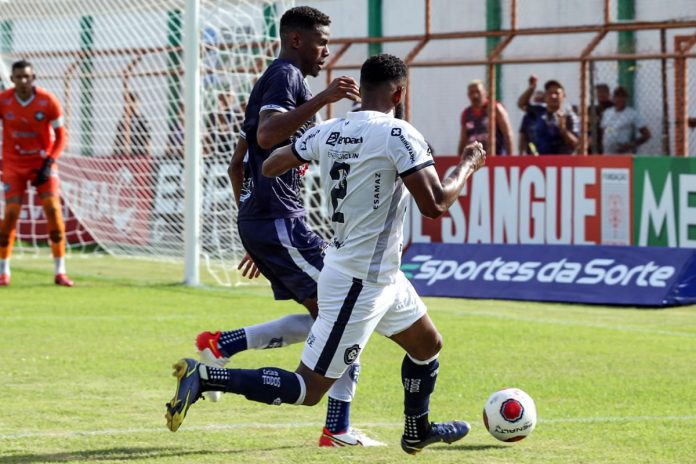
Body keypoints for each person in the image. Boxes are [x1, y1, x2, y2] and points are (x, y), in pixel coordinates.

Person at [165, 53, 487, 454]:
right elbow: (436, 204)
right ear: (400, 92)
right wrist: (468, 164)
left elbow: (271, 164)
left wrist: (320, 155)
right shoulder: (399, 134)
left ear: (364, 88)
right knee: (308, 388)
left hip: (382, 274)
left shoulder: (332, 129)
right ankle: (207, 376)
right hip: (358, 281)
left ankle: (416, 430)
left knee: (427, 346)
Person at [192, 6, 380, 447]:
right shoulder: (286, 78)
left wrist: (251, 221)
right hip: (280, 222)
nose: (326, 51)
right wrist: (323, 99)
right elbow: (265, 137)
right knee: (343, 316)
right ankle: (336, 428)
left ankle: (224, 345)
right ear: (296, 40)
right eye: (322, 42)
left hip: (272, 222)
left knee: (330, 315)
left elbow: (237, 164)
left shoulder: (274, 80)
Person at [0, 60, 73, 287]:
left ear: (34, 78)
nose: (23, 81)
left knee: (52, 210)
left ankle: (60, 271)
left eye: (27, 77)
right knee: (11, 213)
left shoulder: (48, 101)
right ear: (11, 79)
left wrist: (49, 162)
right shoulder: (4, 101)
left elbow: (61, 137)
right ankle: (4, 272)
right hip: (13, 165)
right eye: (18, 77)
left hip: (42, 163)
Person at [517, 75, 579, 155]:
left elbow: (576, 145)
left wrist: (563, 130)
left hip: (560, 162)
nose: (553, 96)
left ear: (564, 96)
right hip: (538, 160)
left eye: (557, 93)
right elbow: (521, 104)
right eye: (550, 93)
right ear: (545, 96)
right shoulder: (539, 111)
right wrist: (531, 88)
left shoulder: (570, 116)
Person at [457, 79, 514, 156]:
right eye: (472, 93)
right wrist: (459, 159)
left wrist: (509, 158)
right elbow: (463, 140)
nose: (475, 96)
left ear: (484, 93)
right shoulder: (466, 113)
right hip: (474, 160)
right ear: (468, 95)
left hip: (497, 158)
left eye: (478, 92)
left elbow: (508, 134)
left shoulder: (495, 108)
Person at [601, 86, 651, 155]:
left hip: (622, 152)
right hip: (607, 152)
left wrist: (631, 145)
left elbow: (647, 135)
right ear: (613, 98)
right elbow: (606, 129)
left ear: (626, 99)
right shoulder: (607, 112)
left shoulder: (632, 114)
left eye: (623, 97)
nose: (620, 99)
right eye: (617, 96)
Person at [113, 90, 151, 157]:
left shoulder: (142, 120)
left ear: (138, 103)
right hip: (123, 156)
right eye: (128, 101)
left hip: (139, 155)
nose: (130, 103)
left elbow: (148, 140)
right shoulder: (123, 120)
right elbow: (117, 139)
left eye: (133, 100)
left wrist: (148, 156)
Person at [588, 83, 614, 153]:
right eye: (599, 92)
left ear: (608, 93)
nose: (601, 94)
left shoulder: (614, 108)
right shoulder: (592, 109)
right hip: (594, 140)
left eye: (604, 92)